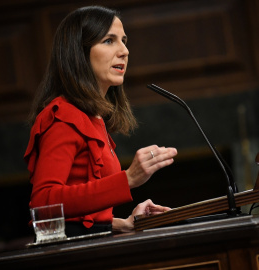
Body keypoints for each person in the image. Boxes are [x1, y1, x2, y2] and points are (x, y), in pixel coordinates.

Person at [23, 5, 178, 236]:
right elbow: (44, 205)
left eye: (124, 41)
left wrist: (121, 223)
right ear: (79, 52)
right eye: (109, 41)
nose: (124, 51)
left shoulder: (92, 117)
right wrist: (128, 179)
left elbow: (79, 215)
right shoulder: (63, 116)